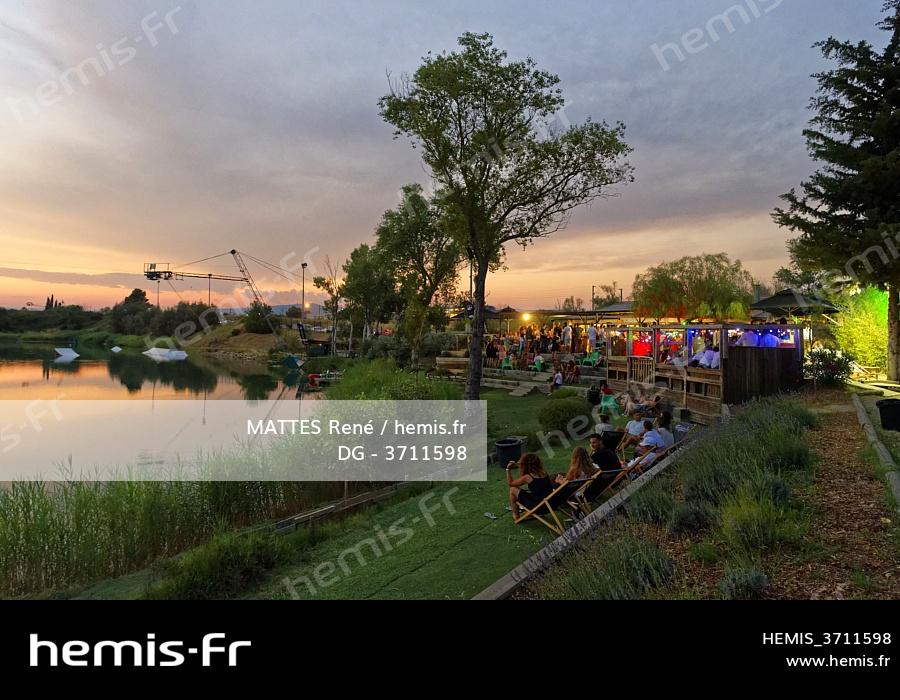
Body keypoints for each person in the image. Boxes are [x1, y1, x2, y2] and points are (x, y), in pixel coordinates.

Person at [507, 453, 553, 519]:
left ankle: (516, 515)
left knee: (513, 489)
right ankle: (521, 513)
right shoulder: (544, 472)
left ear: (526, 465)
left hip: (538, 507)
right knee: (520, 490)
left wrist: (508, 469)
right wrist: (518, 464)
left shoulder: (528, 477)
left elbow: (510, 483)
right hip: (550, 504)